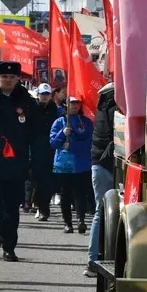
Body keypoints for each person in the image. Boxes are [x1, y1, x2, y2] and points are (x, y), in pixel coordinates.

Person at [0, 61, 39, 262]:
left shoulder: (27, 102)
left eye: (12, 77)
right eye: (4, 76)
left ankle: (9, 247)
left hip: (15, 163)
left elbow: (34, 133)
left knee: (11, 208)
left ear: (18, 78)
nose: (8, 80)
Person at [85, 83, 117, 278]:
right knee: (105, 212)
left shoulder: (102, 110)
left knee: (101, 211)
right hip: (107, 165)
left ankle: (93, 259)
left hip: (100, 164)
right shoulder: (112, 111)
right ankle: (95, 259)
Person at [50, 97, 94, 235]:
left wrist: (73, 145)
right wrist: (63, 134)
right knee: (65, 194)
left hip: (81, 163)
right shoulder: (59, 122)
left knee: (80, 193)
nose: (75, 106)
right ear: (66, 104)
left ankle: (81, 220)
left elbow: (89, 141)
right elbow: (53, 142)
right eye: (72, 103)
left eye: (77, 103)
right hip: (63, 164)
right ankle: (67, 223)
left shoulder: (86, 122)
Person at [29, 83, 60, 221]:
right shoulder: (32, 109)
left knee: (49, 181)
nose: (45, 97)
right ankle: (39, 206)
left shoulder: (57, 110)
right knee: (37, 181)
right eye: (43, 94)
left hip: (52, 150)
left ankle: (44, 208)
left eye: (47, 94)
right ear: (38, 94)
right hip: (35, 150)